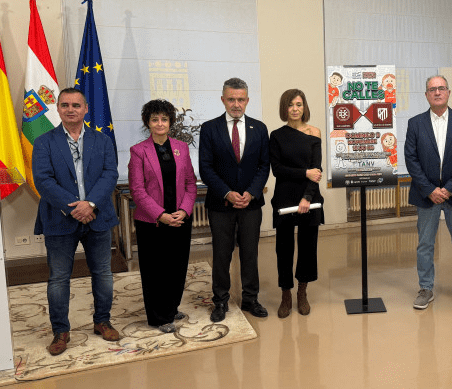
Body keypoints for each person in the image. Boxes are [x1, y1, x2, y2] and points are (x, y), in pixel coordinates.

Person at [32, 87, 120, 356]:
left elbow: (110, 174)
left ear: (86, 109)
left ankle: (102, 321)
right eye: (65, 105)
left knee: (102, 273)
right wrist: (75, 209)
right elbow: (43, 181)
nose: (71, 109)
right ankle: (60, 331)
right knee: (59, 278)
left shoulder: (102, 140)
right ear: (57, 109)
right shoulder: (44, 142)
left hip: (98, 216)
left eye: (76, 105)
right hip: (60, 220)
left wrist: (90, 204)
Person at [199, 78, 270, 320]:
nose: (236, 104)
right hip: (220, 204)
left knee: (250, 253)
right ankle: (220, 301)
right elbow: (206, 168)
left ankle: (250, 299)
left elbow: (263, 166)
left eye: (241, 99)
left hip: (251, 204)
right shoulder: (209, 128)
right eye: (231, 99)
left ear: (248, 101)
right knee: (222, 254)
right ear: (223, 100)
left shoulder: (259, 129)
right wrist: (227, 193)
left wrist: (251, 193)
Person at [405, 75, 452, 311]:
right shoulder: (415, 123)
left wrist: (449, 188)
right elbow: (411, 159)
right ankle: (425, 288)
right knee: (425, 244)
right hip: (427, 196)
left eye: (441, 88)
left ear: (448, 92)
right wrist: (430, 190)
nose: (437, 92)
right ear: (426, 95)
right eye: (432, 89)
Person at [128, 99, 197, 333]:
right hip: (152, 222)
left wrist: (185, 211)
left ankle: (171, 306)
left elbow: (190, 183)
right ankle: (159, 317)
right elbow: (137, 190)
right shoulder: (139, 151)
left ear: (170, 122)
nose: (160, 123)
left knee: (177, 266)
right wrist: (161, 215)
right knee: (155, 271)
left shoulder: (182, 147)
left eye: (164, 119)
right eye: (155, 119)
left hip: (180, 218)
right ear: (148, 122)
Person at [269, 89, 324, 318]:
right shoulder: (276, 135)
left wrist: (307, 198)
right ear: (284, 108)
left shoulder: (314, 132)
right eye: (290, 104)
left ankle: (302, 292)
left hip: (309, 198)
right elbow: (277, 169)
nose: (295, 109)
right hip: (284, 197)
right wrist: (304, 173)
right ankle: (286, 294)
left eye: (299, 104)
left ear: (304, 107)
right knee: (284, 248)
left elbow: (317, 171)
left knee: (308, 247)